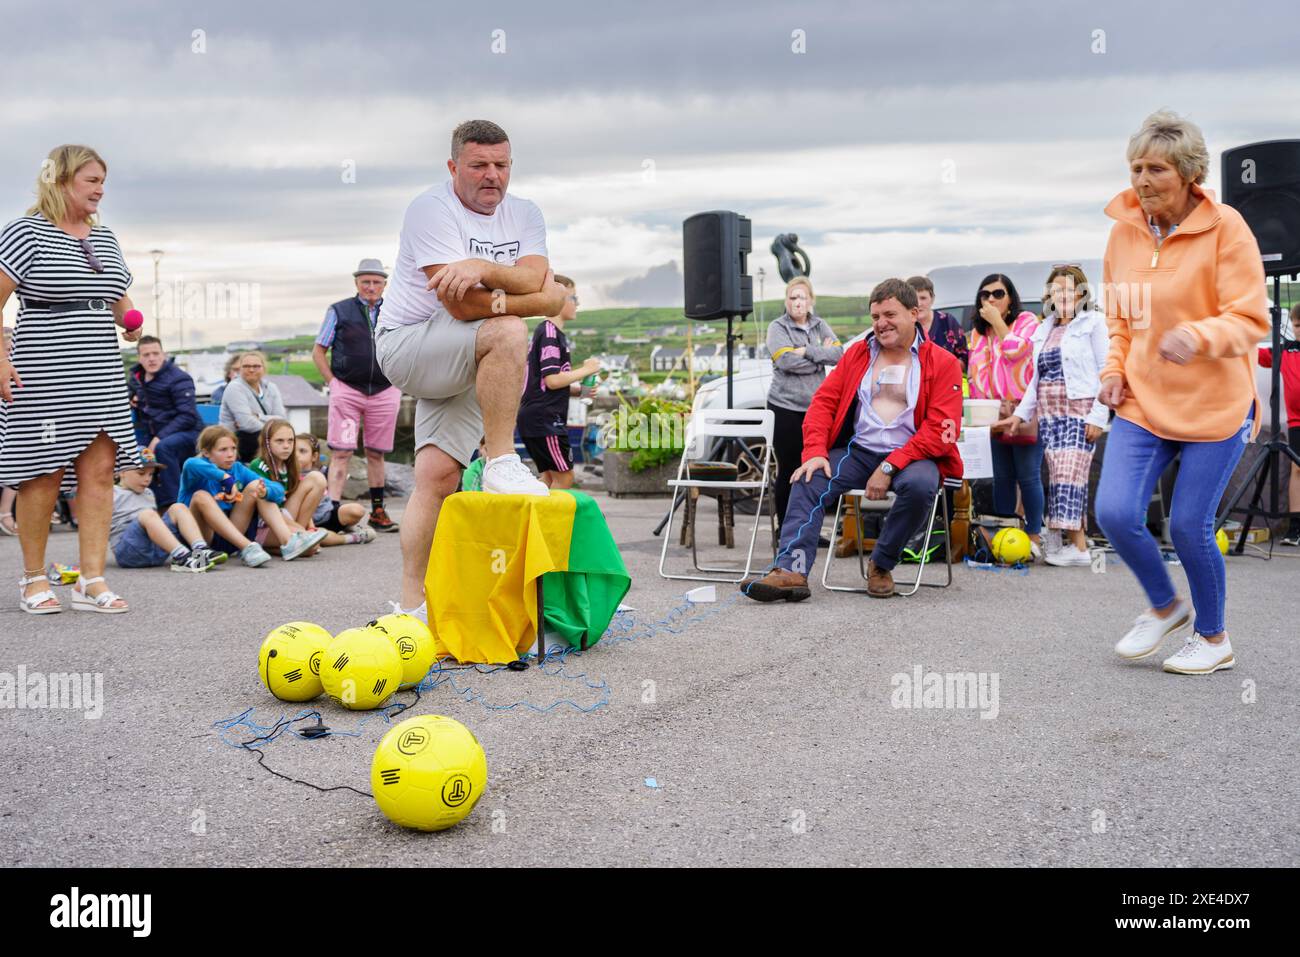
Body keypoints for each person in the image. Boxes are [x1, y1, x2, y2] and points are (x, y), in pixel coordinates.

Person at [1094, 110, 1269, 676]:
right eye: (1135, 168)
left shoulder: (1228, 228)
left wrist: (1197, 334)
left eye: (1156, 170)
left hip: (1215, 404)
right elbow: (1119, 321)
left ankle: (1213, 637)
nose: (1141, 181)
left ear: (1189, 173)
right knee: (1116, 512)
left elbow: (1250, 319)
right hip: (1143, 400)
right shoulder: (1123, 232)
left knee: (1189, 525)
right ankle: (1166, 605)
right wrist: (1113, 370)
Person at [374, 119, 568, 620]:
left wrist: (482, 271)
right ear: (453, 166)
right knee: (507, 332)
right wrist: (524, 291)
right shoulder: (430, 210)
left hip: (465, 350)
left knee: (437, 477)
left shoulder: (525, 213)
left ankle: (412, 608)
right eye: (479, 165)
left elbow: (551, 292)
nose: (492, 177)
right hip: (409, 346)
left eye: (502, 165)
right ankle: (502, 461)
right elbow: (465, 308)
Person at [741, 278, 963, 601]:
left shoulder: (942, 363)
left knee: (920, 486)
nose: (881, 324)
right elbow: (824, 403)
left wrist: (889, 467)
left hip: (914, 456)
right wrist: (815, 451)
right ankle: (791, 570)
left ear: (914, 313)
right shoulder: (859, 353)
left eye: (889, 315)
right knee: (809, 476)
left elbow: (941, 431)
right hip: (858, 452)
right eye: (875, 317)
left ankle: (881, 564)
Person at [0, 144, 142, 614]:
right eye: (91, 181)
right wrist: (1, 360)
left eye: (103, 181)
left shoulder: (106, 238)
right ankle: (34, 579)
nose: (101, 190)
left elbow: (116, 294)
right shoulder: (26, 233)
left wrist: (130, 319)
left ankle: (91, 580)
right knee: (42, 474)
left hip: (100, 369)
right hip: (43, 370)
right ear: (60, 182)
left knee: (100, 472)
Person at [996, 265, 1109, 566]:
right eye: (1057, 290)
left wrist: (1099, 416)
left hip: (1080, 409)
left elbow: (1106, 371)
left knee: (1070, 474)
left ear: (1082, 293)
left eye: (1070, 290)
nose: (1063, 295)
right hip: (1049, 412)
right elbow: (1036, 380)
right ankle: (1073, 547)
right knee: (1060, 476)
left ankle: (1080, 549)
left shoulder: (1094, 322)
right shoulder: (1043, 329)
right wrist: (1020, 416)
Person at [313, 258, 402, 532]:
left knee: (377, 453)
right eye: (366, 281)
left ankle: (378, 511)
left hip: (385, 390)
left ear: (385, 285)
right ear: (356, 283)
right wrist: (333, 383)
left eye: (376, 282)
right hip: (348, 389)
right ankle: (332, 511)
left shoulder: (397, 310)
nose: (371, 287)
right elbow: (319, 351)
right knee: (341, 451)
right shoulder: (339, 310)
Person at [968, 273, 1045, 558]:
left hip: (1023, 409)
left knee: (1028, 476)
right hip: (991, 412)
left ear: (1010, 297)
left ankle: (1034, 535)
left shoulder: (1026, 321)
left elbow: (1015, 351)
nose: (990, 299)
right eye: (985, 294)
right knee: (1001, 476)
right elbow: (974, 373)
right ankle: (1003, 535)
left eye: (998, 294)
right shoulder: (978, 332)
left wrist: (997, 322)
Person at [178, 425, 322, 565]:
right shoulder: (195, 470)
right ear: (206, 453)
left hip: (231, 537)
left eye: (233, 449)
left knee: (257, 486)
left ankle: (288, 541)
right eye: (223, 450)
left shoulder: (238, 468)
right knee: (200, 496)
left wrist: (265, 492)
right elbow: (191, 464)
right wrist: (225, 478)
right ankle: (248, 547)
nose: (230, 454)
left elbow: (277, 489)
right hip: (203, 537)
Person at [765, 276, 843, 531]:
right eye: (792, 297)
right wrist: (819, 355)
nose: (797, 302)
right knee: (789, 468)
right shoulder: (777, 327)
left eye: (802, 297)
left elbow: (838, 355)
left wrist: (805, 350)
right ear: (786, 301)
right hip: (784, 408)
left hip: (814, 410)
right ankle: (784, 530)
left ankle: (808, 528)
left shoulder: (820, 325)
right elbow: (785, 361)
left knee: (812, 468)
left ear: (811, 301)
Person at [517, 274, 599, 489]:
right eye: (573, 298)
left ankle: (535, 522)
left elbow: (545, 383)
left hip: (536, 418)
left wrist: (578, 390)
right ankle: (551, 523)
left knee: (547, 480)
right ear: (558, 298)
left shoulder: (550, 333)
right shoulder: (550, 333)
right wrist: (586, 370)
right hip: (546, 420)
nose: (577, 304)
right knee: (564, 478)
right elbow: (552, 380)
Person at [128, 335, 203, 510]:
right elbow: (127, 392)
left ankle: (174, 504)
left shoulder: (179, 378)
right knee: (134, 451)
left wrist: (159, 437)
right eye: (146, 355)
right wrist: (131, 397)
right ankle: (142, 505)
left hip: (189, 433)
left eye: (155, 353)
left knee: (163, 447)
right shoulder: (137, 376)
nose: (151, 358)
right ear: (139, 357)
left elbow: (188, 415)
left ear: (164, 354)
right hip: (152, 431)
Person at [110, 461, 222, 573]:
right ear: (122, 472)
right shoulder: (112, 493)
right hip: (128, 552)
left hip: (156, 551)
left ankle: (200, 549)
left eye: (150, 474)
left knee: (178, 507)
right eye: (141, 473)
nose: (147, 479)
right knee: (148, 514)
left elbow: (154, 526)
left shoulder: (148, 493)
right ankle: (182, 557)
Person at [1257, 303, 1300, 546]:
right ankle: (1295, 526)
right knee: (1297, 469)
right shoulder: (1286, 351)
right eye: (1296, 325)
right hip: (1297, 421)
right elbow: (1259, 356)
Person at [248, 418, 328, 536]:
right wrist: (301, 530)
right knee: (313, 544)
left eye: (290, 441)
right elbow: (263, 506)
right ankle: (301, 535)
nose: (286, 446)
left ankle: (301, 536)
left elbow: (293, 495)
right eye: (279, 441)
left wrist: (309, 525)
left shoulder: (291, 464)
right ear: (266, 443)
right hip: (264, 524)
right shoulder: (258, 465)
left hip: (286, 517)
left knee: (317, 478)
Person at [295, 433, 374, 546]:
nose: (296, 455)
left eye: (302, 451)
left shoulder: (322, 471)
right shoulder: (289, 475)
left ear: (314, 456)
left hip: (328, 514)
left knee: (357, 510)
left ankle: (347, 527)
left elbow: (339, 478)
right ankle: (352, 538)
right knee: (318, 538)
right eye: (293, 452)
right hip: (307, 521)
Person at [218, 350, 286, 462]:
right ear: (240, 369)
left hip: (261, 437)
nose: (251, 370)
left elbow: (282, 418)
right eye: (246, 366)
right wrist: (273, 431)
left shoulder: (271, 387)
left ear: (263, 368)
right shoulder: (234, 388)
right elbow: (247, 424)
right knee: (279, 443)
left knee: (287, 442)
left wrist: (258, 416)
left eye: (256, 366)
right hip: (236, 440)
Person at [906, 275, 969, 370]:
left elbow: (964, 357)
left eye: (923, 298)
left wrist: (945, 369)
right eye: (913, 298)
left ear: (932, 299)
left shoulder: (947, 321)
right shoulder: (903, 325)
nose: (918, 303)